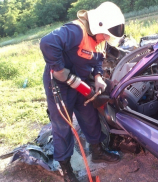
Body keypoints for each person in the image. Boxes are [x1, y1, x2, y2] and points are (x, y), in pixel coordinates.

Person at [40, 2, 125, 182]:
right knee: (63, 125)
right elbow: (47, 42)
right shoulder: (75, 31)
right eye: (105, 35)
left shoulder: (99, 38)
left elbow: (97, 59)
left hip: (81, 82)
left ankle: (98, 152)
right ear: (97, 25)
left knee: (89, 116)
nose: (105, 39)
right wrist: (59, 69)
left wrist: (98, 76)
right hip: (60, 84)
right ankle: (66, 168)